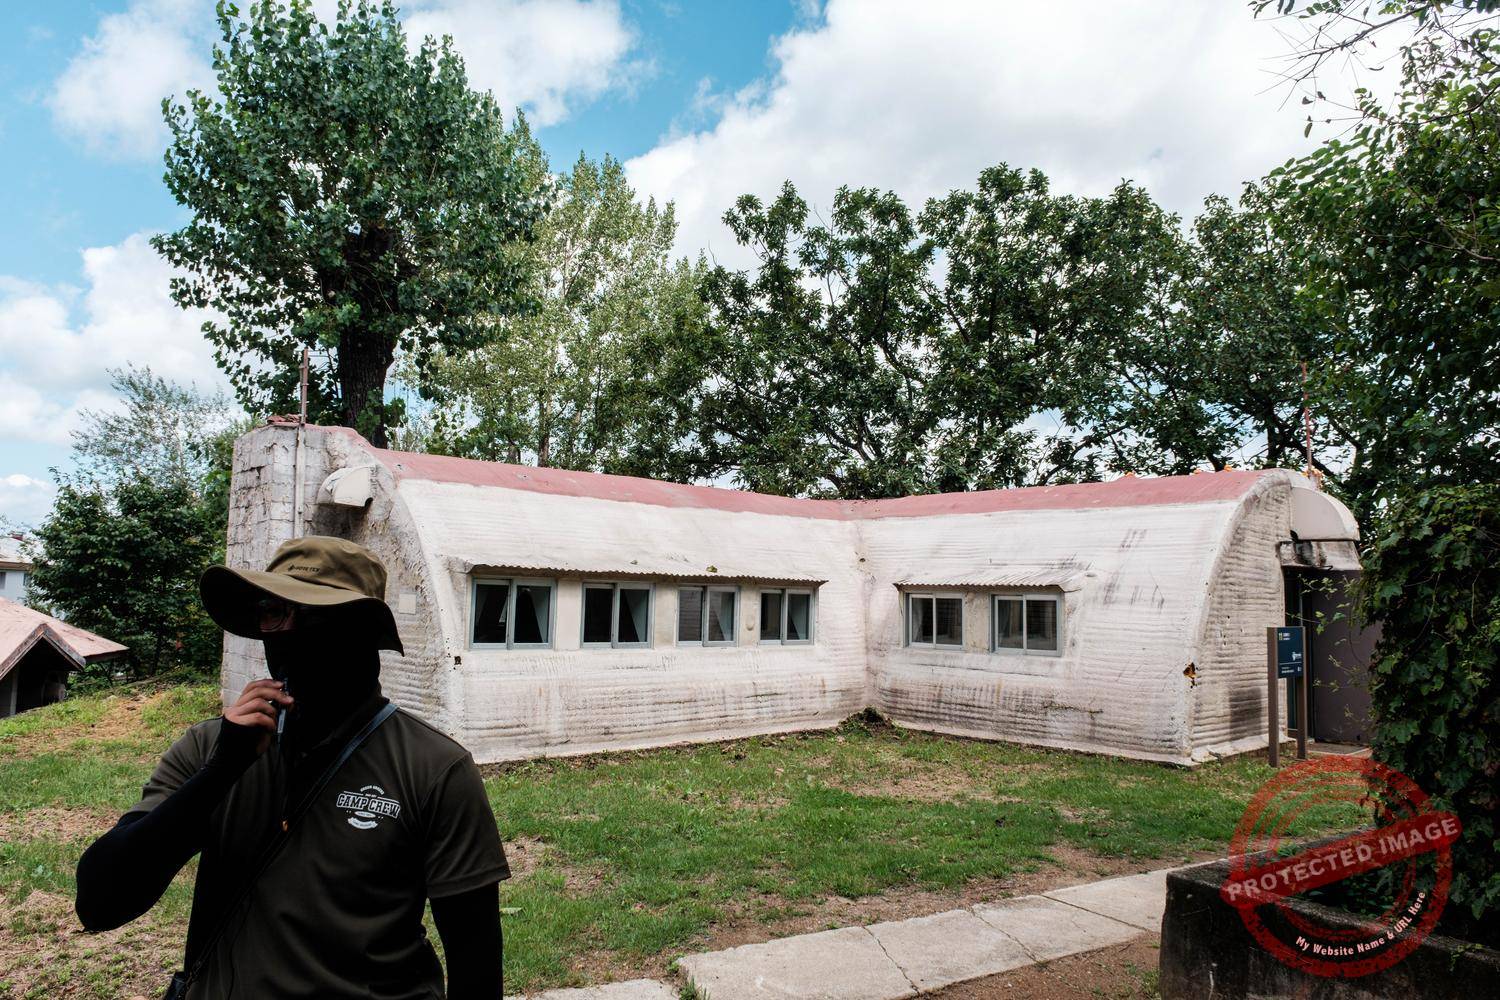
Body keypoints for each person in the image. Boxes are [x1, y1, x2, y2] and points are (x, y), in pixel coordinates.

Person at [75, 536, 508, 999]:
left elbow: (476, 961)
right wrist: (222, 772)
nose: (290, 637)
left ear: (363, 631)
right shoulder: (209, 749)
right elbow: (101, 904)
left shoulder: (433, 767)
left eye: (316, 614)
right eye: (274, 613)